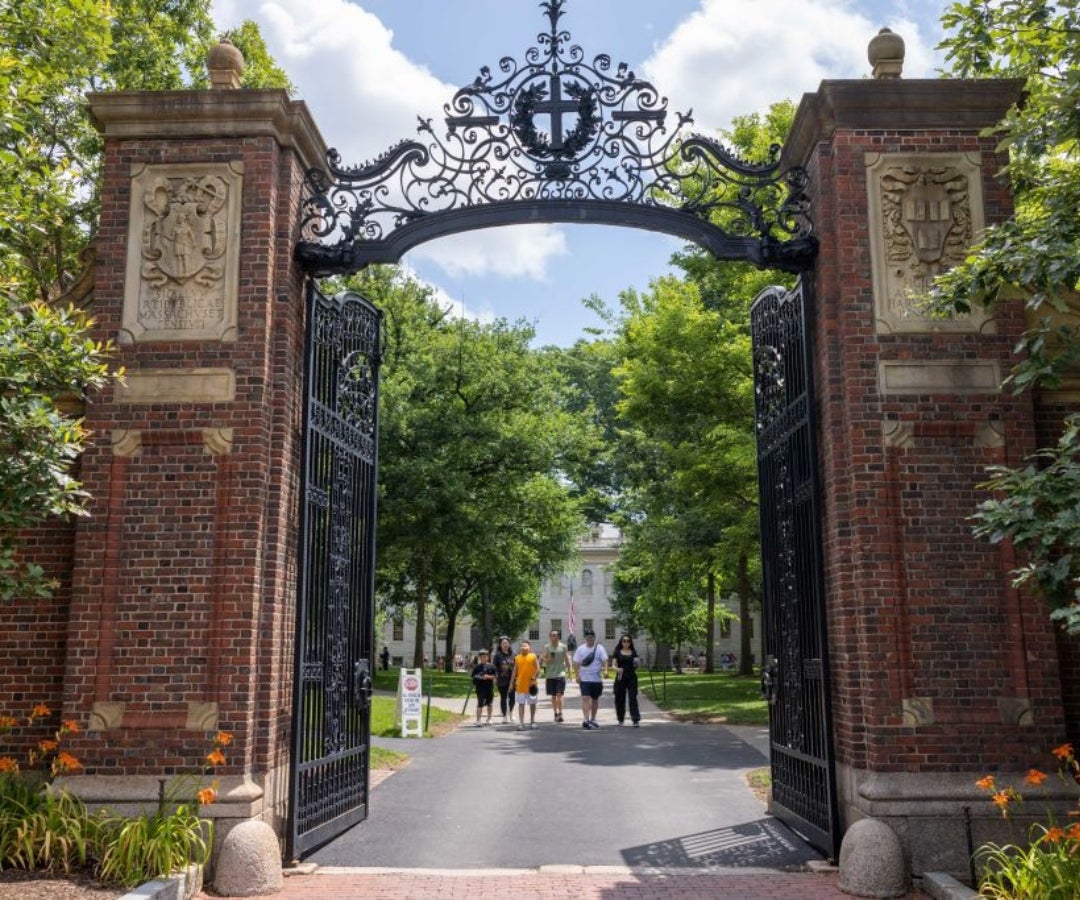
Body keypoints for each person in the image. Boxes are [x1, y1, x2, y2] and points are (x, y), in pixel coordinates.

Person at [572, 628, 608, 729]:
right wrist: (577, 675)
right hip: (585, 679)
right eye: (588, 637)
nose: (590, 639)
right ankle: (586, 719)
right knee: (585, 698)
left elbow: (605, 660)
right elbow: (576, 662)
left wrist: (606, 671)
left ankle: (593, 719)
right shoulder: (581, 649)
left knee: (595, 699)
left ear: (594, 638)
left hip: (596, 679)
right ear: (585, 638)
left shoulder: (600, 648)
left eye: (591, 637)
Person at [611, 633, 642, 726]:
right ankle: (620, 719)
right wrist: (617, 669)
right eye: (624, 641)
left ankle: (635, 719)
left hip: (631, 677)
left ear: (630, 642)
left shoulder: (633, 652)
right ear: (621, 642)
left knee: (633, 698)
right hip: (620, 677)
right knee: (620, 698)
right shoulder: (617, 651)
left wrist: (637, 664)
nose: (626, 642)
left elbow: (636, 665)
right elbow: (613, 665)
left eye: (628, 641)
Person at [540, 629, 571, 723]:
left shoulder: (563, 647)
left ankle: (561, 713)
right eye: (553, 635)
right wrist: (547, 659)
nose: (555, 636)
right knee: (553, 696)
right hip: (550, 674)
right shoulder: (547, 647)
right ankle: (555, 713)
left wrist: (570, 672)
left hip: (560, 674)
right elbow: (543, 659)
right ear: (550, 637)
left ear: (558, 636)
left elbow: (566, 659)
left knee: (559, 694)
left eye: (556, 635)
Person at [510, 640, 541, 730]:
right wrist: (511, 683)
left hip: (531, 685)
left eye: (525, 646)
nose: (523, 647)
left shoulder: (533, 656)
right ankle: (521, 723)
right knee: (521, 704)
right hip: (520, 685)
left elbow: (538, 668)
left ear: (529, 647)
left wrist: (533, 678)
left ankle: (532, 721)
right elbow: (514, 671)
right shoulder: (517, 658)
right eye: (522, 646)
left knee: (532, 704)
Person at [470, 649, 497, 726]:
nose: (483, 658)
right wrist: (481, 677)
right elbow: (473, 677)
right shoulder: (477, 667)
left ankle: (489, 718)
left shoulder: (492, 666)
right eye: (481, 657)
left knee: (490, 704)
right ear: (479, 658)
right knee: (480, 704)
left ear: (487, 657)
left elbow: (495, 676)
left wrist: (488, 677)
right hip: (480, 688)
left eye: (485, 657)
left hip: (489, 688)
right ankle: (478, 720)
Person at [492, 636, 515, 722]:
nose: (505, 644)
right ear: (500, 645)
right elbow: (494, 667)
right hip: (502, 680)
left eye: (506, 643)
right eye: (503, 643)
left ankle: (511, 713)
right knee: (503, 698)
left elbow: (517, 666)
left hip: (512, 680)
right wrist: (495, 677)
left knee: (512, 698)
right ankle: (504, 716)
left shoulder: (513, 654)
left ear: (509, 644)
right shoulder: (497, 655)